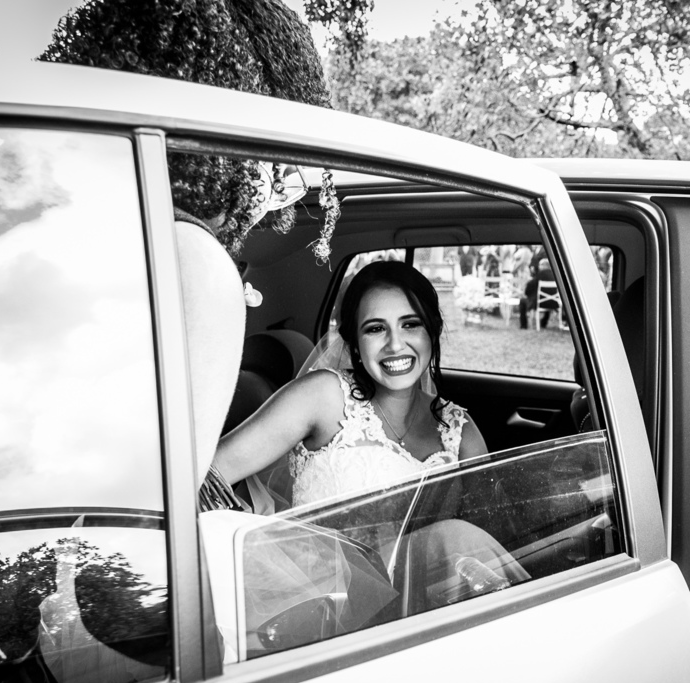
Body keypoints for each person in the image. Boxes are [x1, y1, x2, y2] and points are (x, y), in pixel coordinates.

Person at [43, 0, 331, 507]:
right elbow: (169, 501)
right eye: (285, 158)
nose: (290, 184)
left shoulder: (101, 235)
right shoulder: (195, 262)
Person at [214, 261, 489, 506]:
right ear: (355, 345)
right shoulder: (324, 397)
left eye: (410, 324)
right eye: (376, 329)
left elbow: (488, 529)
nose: (395, 344)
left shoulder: (460, 431)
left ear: (433, 331)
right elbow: (212, 472)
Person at [519, 258, 557, 329]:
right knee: (545, 297)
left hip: (540, 303)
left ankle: (523, 325)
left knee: (522, 300)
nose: (539, 267)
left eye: (540, 265)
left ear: (544, 265)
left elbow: (529, 287)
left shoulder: (540, 274)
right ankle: (543, 323)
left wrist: (528, 294)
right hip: (554, 303)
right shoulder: (555, 275)